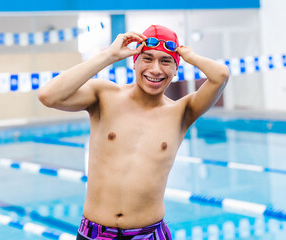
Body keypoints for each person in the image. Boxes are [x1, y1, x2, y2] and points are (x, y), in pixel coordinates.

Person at [38, 25, 229, 240]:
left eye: (165, 61)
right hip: (94, 233)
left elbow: (221, 75)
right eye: (147, 58)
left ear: (176, 69)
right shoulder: (104, 95)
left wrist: (190, 56)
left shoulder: (181, 112)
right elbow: (49, 96)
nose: (156, 69)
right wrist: (108, 56)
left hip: (149, 234)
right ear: (134, 61)